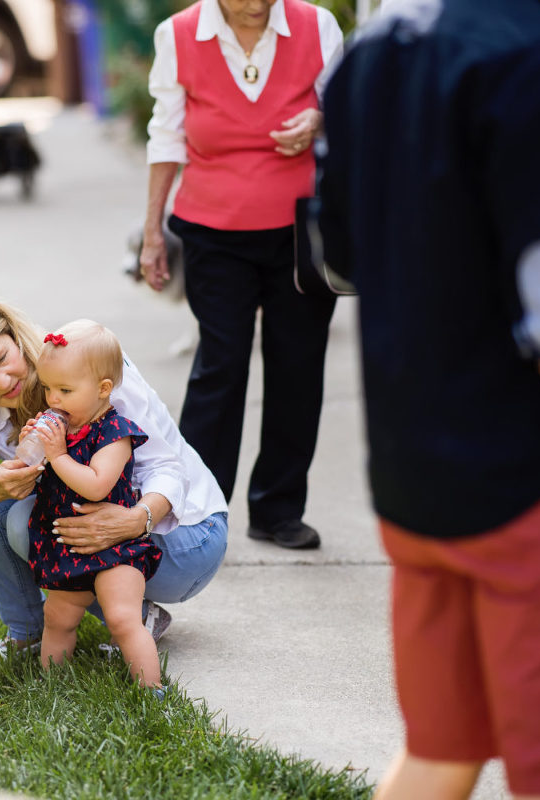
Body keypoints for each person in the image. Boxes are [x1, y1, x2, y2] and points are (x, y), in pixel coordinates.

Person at [318, 0, 540, 797]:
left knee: (441, 749)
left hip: (415, 481)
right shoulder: (539, 58)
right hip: (538, 488)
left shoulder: (368, 53)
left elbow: (338, 256)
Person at [0, 299, 229, 659]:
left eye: (2, 359)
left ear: (14, 337)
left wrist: (132, 521)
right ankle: (29, 632)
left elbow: (167, 469)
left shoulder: (85, 365)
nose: (2, 382)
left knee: (22, 521)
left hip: (188, 537)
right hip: (111, 531)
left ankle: (128, 617)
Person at [141, 0, 344, 550]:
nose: (255, 5)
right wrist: (153, 232)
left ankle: (277, 510)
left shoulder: (317, 26)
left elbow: (355, 110)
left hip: (303, 234)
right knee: (220, 367)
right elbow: (166, 137)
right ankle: (198, 512)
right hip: (213, 232)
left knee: (298, 367)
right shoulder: (178, 35)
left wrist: (323, 120)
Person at [23, 320, 163, 688]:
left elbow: (97, 486)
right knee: (58, 618)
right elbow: (41, 476)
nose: (53, 400)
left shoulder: (115, 434)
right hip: (68, 547)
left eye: (65, 390)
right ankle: (52, 686)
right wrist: (34, 451)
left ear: (103, 389)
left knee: (121, 619)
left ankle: (152, 691)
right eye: (48, 388)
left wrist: (56, 455)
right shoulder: (63, 431)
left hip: (116, 547)